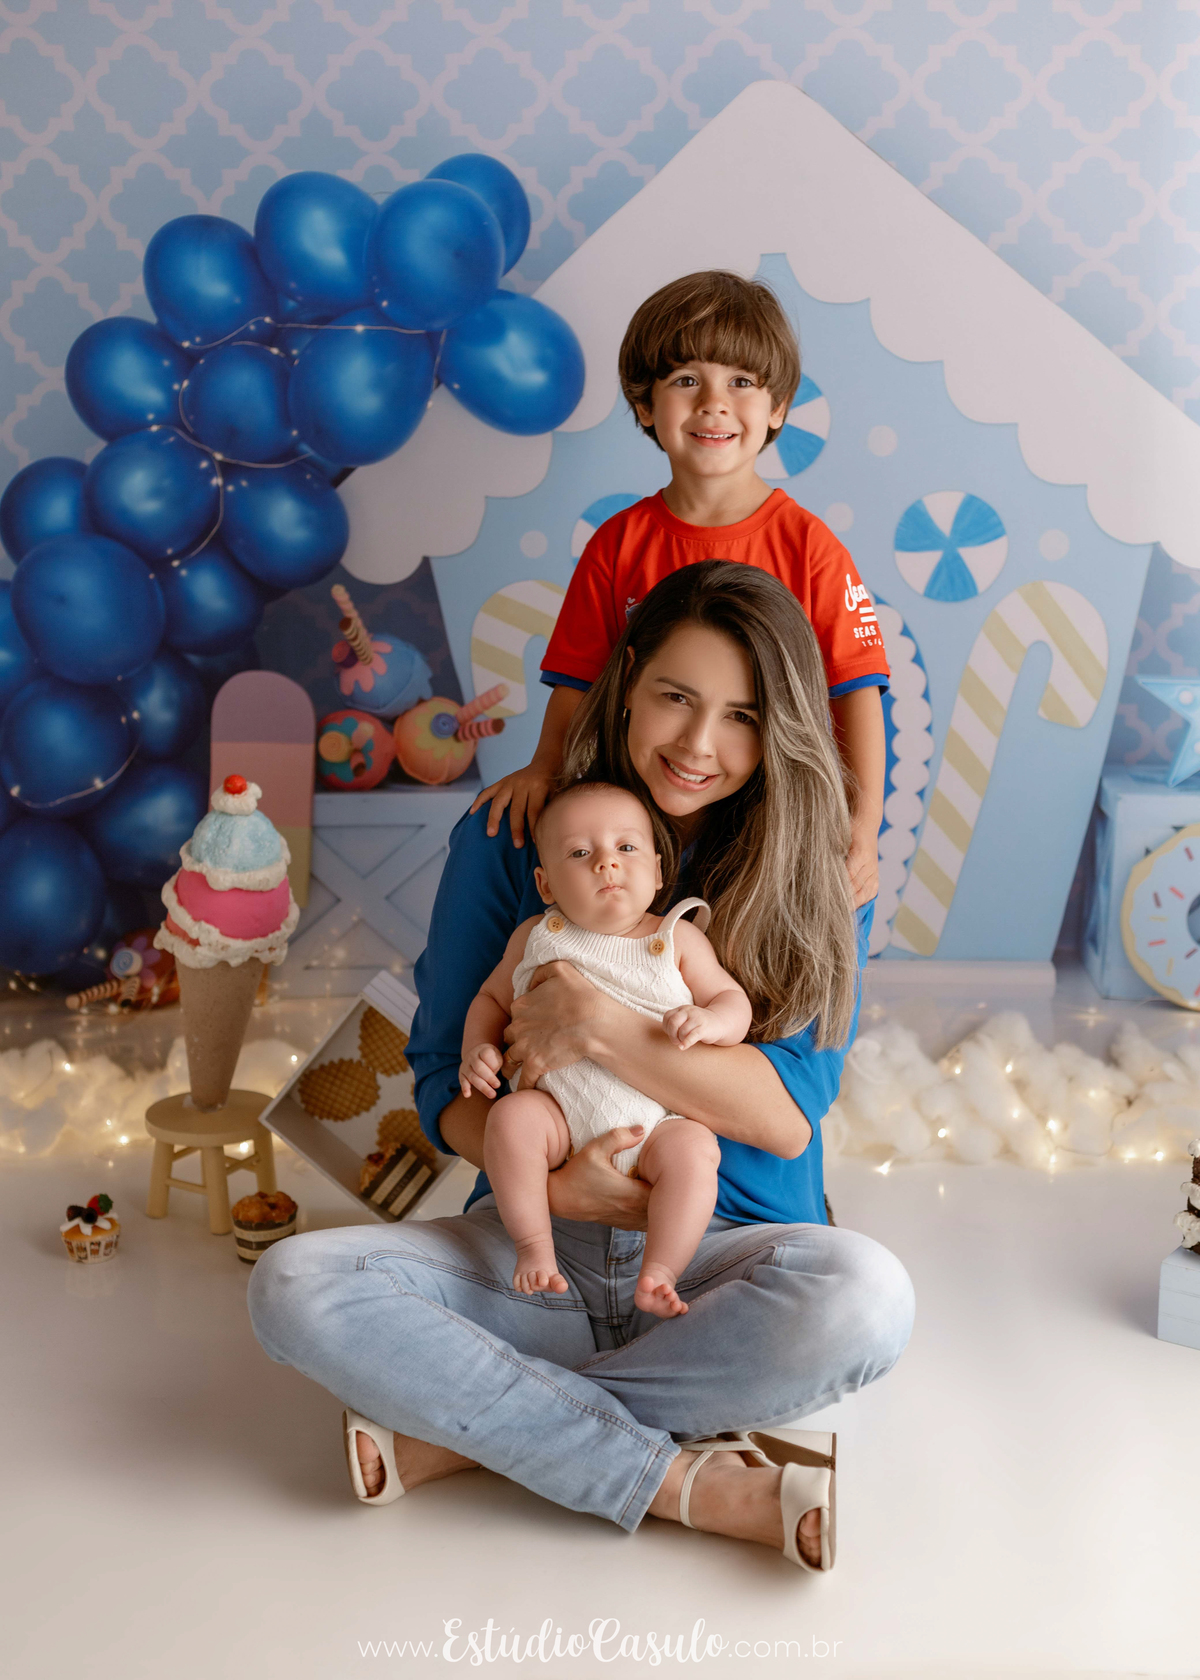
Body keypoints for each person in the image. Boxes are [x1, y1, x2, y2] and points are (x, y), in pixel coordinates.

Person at [247, 562, 915, 1574]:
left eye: (741, 716)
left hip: (721, 1264)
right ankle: (681, 1480)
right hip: (532, 1254)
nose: (698, 744)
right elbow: (438, 1084)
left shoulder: (817, 869)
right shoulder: (511, 835)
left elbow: (783, 1120)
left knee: (867, 1298)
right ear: (629, 679)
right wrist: (556, 1188)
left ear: (780, 728)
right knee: (292, 1286)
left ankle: (476, 1431)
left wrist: (599, 1027)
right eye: (677, 697)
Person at [472, 269, 889, 911]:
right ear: (645, 406)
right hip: (649, 812)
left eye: (741, 382)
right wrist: (545, 767)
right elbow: (578, 680)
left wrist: (861, 828)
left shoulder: (812, 548)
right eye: (686, 380)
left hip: (775, 817)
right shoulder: (618, 543)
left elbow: (856, 692)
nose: (713, 404)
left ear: (779, 407)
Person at [462, 779, 752, 1316]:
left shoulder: (677, 938)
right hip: (558, 1117)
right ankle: (535, 1246)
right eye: (580, 853)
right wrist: (476, 1047)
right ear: (546, 884)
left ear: (658, 872)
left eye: (626, 847)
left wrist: (711, 1020)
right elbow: (490, 998)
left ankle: (661, 1270)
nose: (606, 863)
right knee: (510, 1119)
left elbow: (732, 1000)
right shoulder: (535, 937)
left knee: (696, 1151)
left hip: (657, 1123)